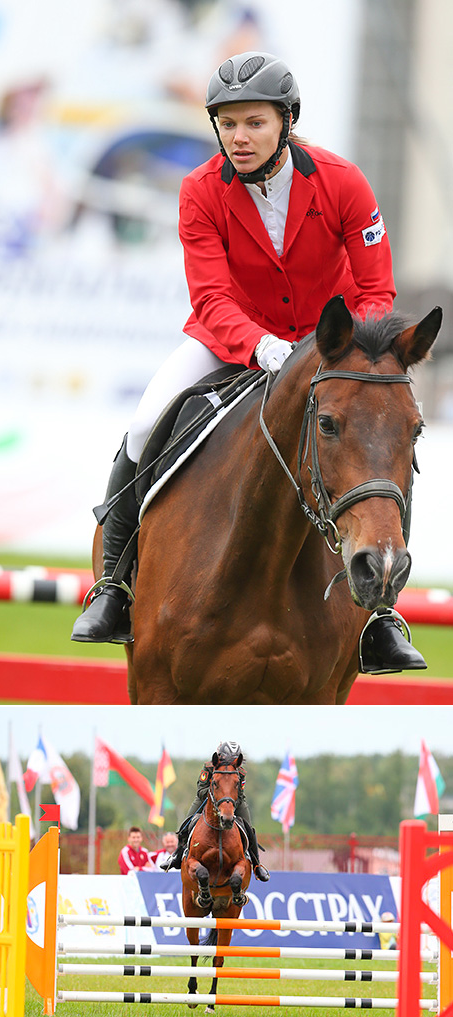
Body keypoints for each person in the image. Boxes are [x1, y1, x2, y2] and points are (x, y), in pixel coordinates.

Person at [71, 50, 425, 674]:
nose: (239, 137)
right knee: (144, 421)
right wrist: (262, 347)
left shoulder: (344, 182)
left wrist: (356, 350)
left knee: (378, 439)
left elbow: (374, 292)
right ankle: (112, 586)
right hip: (229, 339)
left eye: (254, 122)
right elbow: (210, 297)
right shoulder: (199, 190)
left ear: (286, 122)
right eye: (228, 123)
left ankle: (380, 615)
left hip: (332, 345)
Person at [160, 740, 269, 881]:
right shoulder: (208, 767)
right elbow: (201, 790)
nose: (233, 763)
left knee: (249, 828)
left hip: (233, 801)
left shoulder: (240, 772)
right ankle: (176, 856)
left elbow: (240, 794)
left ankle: (256, 865)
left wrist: (229, 800)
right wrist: (215, 794)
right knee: (186, 824)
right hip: (206, 798)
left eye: (235, 760)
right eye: (231, 760)